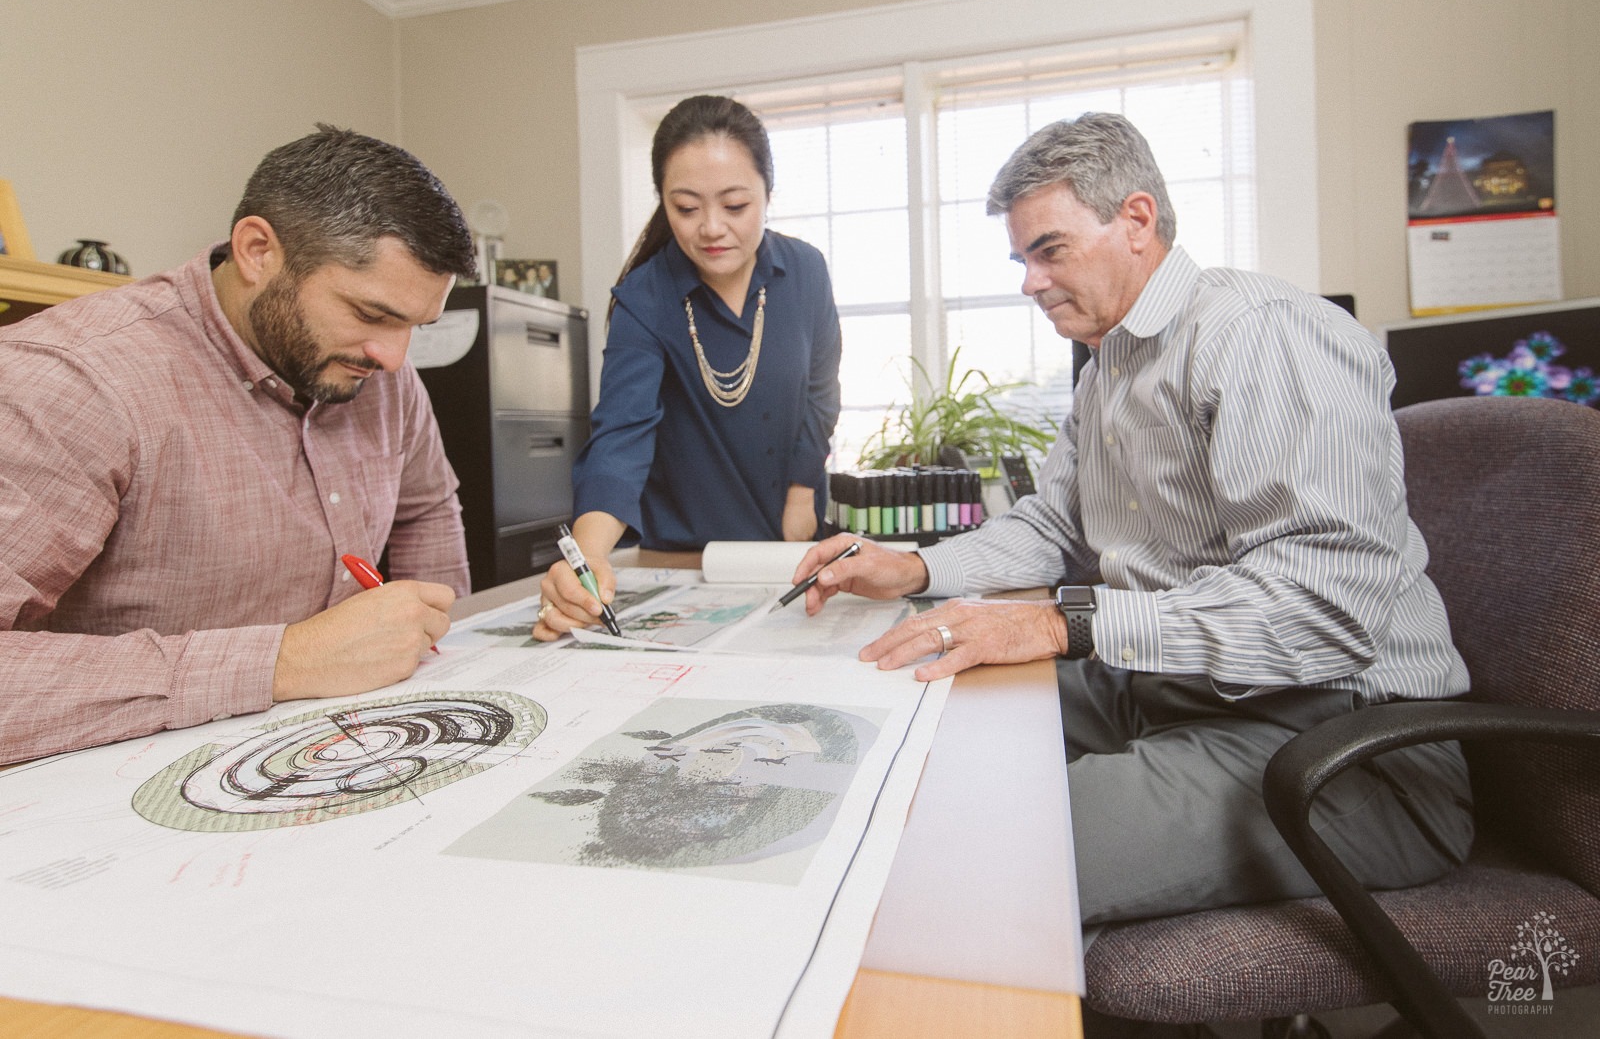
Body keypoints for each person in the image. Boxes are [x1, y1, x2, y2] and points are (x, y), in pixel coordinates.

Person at [790, 113, 1473, 936]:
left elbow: (1322, 610)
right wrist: (913, 568)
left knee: (965, 845)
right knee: (916, 709)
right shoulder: (1110, 365)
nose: (1031, 282)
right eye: (1023, 259)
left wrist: (1062, 621)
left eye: (1051, 250)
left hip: (1349, 743)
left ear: (1137, 221)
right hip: (1181, 689)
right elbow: (1056, 526)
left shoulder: (1260, 334)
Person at [0, 124, 479, 766]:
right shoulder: (73, 383)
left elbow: (427, 508)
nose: (395, 359)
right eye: (371, 315)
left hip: (348, 750)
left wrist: (432, 644)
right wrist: (286, 661)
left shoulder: (383, 374)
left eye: (417, 326)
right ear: (257, 251)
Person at [538, 95, 841, 639]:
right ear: (662, 201)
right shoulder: (644, 297)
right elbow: (620, 436)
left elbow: (821, 392)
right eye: (686, 207)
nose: (711, 228)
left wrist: (801, 490)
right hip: (681, 555)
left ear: (768, 195)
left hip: (787, 543)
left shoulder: (807, 272)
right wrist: (584, 558)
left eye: (735, 205)